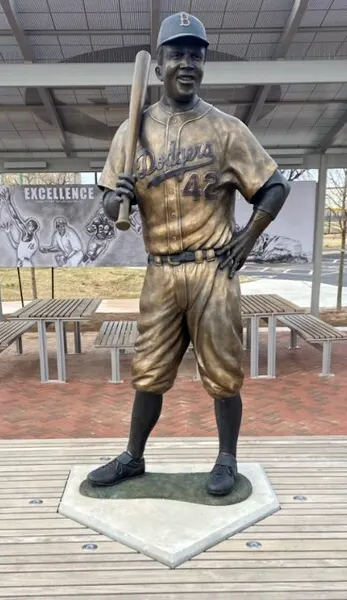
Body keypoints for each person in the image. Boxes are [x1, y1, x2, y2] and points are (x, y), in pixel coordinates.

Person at [87, 12, 290, 496]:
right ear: (159, 66)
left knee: (224, 373)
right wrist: (121, 195)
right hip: (160, 272)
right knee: (148, 373)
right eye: (177, 54)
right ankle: (133, 457)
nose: (186, 64)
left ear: (203, 66)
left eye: (195, 56)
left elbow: (274, 186)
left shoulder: (225, 129)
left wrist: (248, 239)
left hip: (211, 269)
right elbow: (110, 204)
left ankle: (226, 459)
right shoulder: (131, 132)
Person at [0, 186, 39, 267]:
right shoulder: (29, 238)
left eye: (29, 224)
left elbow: (15, 217)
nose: (26, 224)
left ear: (33, 228)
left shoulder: (28, 234)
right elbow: (15, 246)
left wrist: (8, 201)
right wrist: (8, 233)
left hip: (24, 263)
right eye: (27, 223)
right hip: (24, 262)